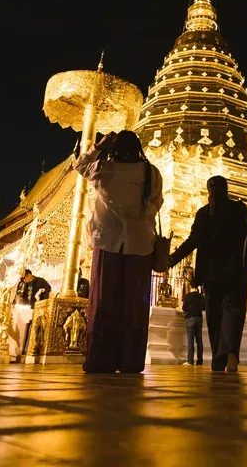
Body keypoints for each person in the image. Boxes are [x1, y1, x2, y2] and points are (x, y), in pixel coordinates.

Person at [75, 130, 164, 374]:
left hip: (108, 244)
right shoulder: (151, 173)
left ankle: (101, 358)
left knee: (104, 303)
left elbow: (80, 165)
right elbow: (156, 204)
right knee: (134, 305)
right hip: (140, 245)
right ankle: (130, 361)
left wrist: (100, 146)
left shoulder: (103, 169)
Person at [170, 175, 247, 373]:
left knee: (214, 317)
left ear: (209, 191)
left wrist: (172, 259)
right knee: (234, 315)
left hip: (212, 274)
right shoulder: (239, 209)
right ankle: (232, 353)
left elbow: (192, 241)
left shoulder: (204, 213)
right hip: (237, 271)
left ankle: (219, 358)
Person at [181, 282, 205, 366]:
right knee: (199, 341)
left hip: (190, 318)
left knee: (190, 341)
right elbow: (204, 307)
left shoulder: (187, 296)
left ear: (190, 287)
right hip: (199, 318)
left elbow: (184, 308)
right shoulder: (201, 296)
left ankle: (190, 361)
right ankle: (200, 360)